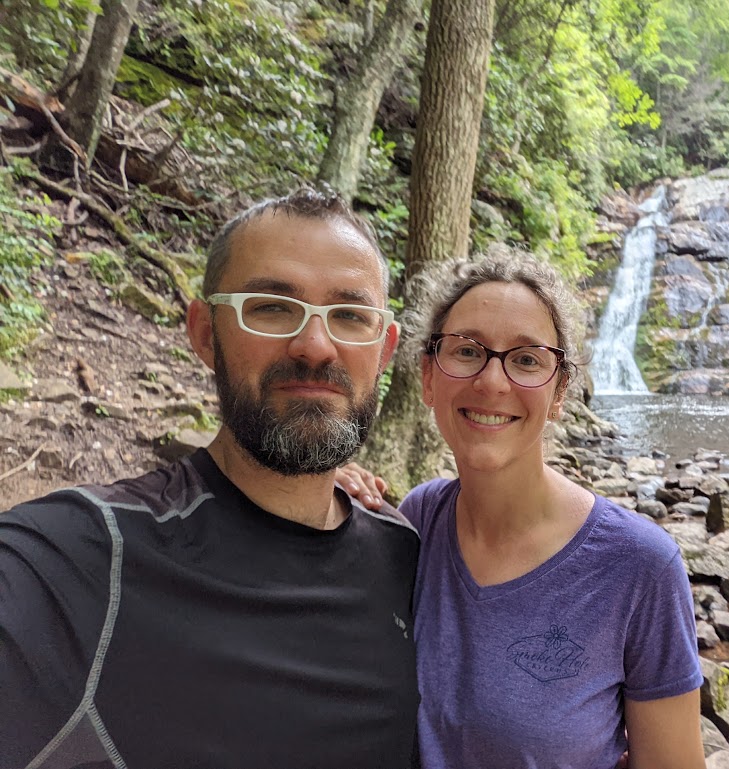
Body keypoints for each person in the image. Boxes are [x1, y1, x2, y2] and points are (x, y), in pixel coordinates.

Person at [0, 189, 419, 769]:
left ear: (384, 349)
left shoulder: (409, 556)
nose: (315, 346)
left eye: (350, 315)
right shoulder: (89, 558)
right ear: (204, 334)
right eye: (271, 307)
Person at [342, 252, 706, 769]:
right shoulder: (420, 518)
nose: (492, 382)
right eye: (467, 350)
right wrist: (321, 496)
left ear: (560, 391)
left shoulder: (641, 566)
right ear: (428, 377)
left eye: (527, 359)